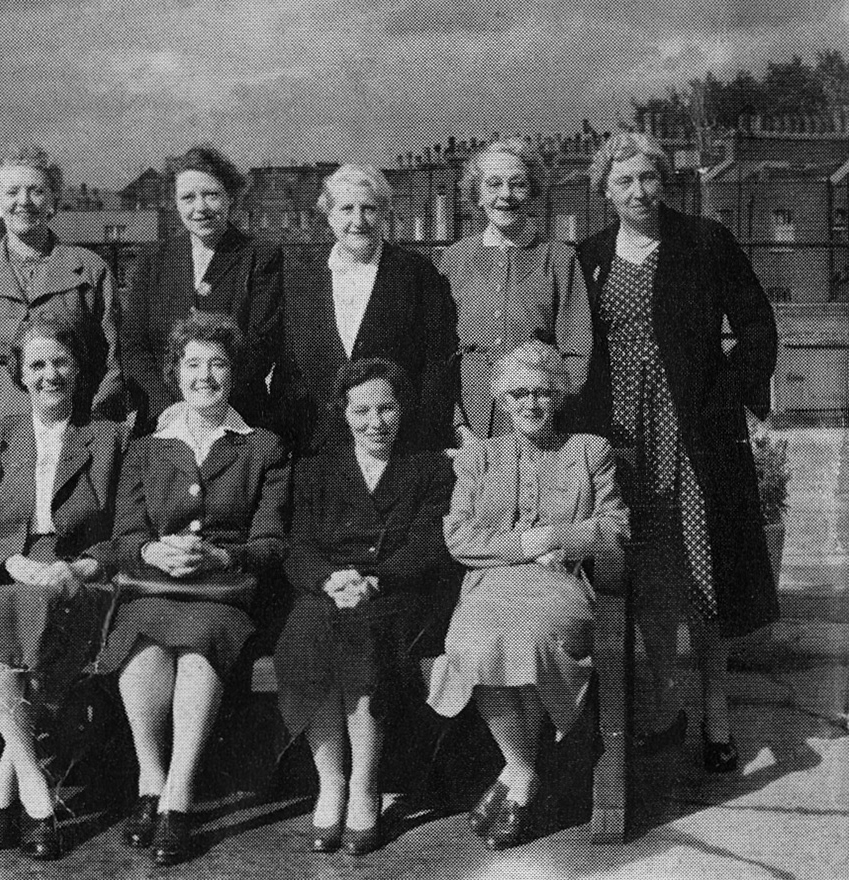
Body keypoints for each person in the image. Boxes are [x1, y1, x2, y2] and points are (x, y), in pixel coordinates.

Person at [571, 132, 779, 773]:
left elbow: (756, 325)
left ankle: (716, 710)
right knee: (646, 572)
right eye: (624, 181)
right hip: (620, 438)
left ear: (664, 181)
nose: (638, 192)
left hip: (694, 433)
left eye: (648, 178)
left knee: (705, 570)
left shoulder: (705, 242)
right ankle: (664, 707)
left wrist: (732, 398)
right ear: (605, 190)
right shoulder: (589, 255)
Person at [0, 317, 130, 861]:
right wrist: (9, 559)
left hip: (79, 581)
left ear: (79, 371)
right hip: (7, 577)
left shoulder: (108, 439)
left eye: (61, 362)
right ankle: (37, 794)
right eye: (37, 364)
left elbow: (129, 531)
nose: (49, 374)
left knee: (11, 627)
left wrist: (79, 568)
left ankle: (6, 788)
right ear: (20, 375)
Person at [92, 312, 290, 866]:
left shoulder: (264, 447)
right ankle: (150, 784)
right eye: (193, 364)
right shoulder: (144, 447)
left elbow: (273, 542)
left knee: (200, 652)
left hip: (223, 593)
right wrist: (152, 550)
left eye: (218, 364)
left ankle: (178, 798)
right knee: (141, 654)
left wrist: (223, 554)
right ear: (174, 373)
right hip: (152, 588)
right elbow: (125, 535)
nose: (205, 376)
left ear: (235, 374)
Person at [427, 341, 629, 850]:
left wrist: (557, 539)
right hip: (488, 584)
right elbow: (459, 537)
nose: (530, 405)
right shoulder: (479, 455)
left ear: (557, 396)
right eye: (518, 394)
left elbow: (615, 529)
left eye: (541, 393)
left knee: (528, 640)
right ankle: (522, 772)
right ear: (501, 399)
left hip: (560, 586)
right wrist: (523, 544)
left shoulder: (589, 450)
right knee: (473, 644)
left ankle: (515, 777)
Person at [277, 359, 454, 855]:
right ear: (343, 413)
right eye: (363, 410)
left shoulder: (430, 467)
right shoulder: (314, 470)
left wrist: (376, 580)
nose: (375, 422)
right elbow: (298, 546)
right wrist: (330, 579)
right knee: (305, 638)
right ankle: (331, 782)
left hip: (398, 595)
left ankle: (365, 786)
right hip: (328, 589)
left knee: (364, 636)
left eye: (387, 408)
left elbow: (427, 544)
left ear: (403, 410)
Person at [0, 145, 125, 435]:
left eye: (36, 191)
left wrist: (94, 426)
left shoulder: (91, 271)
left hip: (78, 431)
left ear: (53, 202)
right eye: (11, 192)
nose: (24, 202)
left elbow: (113, 360)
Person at [277, 164, 458, 455]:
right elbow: (290, 374)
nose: (358, 220)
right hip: (320, 451)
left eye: (369, 209)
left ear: (384, 213)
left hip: (400, 448)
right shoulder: (302, 280)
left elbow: (438, 365)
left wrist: (424, 440)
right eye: (347, 209)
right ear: (329, 214)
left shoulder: (416, 275)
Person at [438, 137, 592, 445]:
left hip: (537, 415)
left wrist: (549, 415)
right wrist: (457, 425)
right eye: (493, 184)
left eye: (518, 184)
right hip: (470, 418)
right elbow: (438, 351)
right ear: (477, 194)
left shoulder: (559, 258)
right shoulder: (454, 258)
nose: (505, 195)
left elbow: (577, 350)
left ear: (533, 192)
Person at [124, 143, 285, 434]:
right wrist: (169, 407)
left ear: (230, 198)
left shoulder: (260, 256)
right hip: (165, 420)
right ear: (175, 203)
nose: (200, 207)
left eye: (211, 195)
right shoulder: (153, 260)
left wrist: (210, 406)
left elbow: (262, 344)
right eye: (188, 197)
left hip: (237, 418)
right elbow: (135, 346)